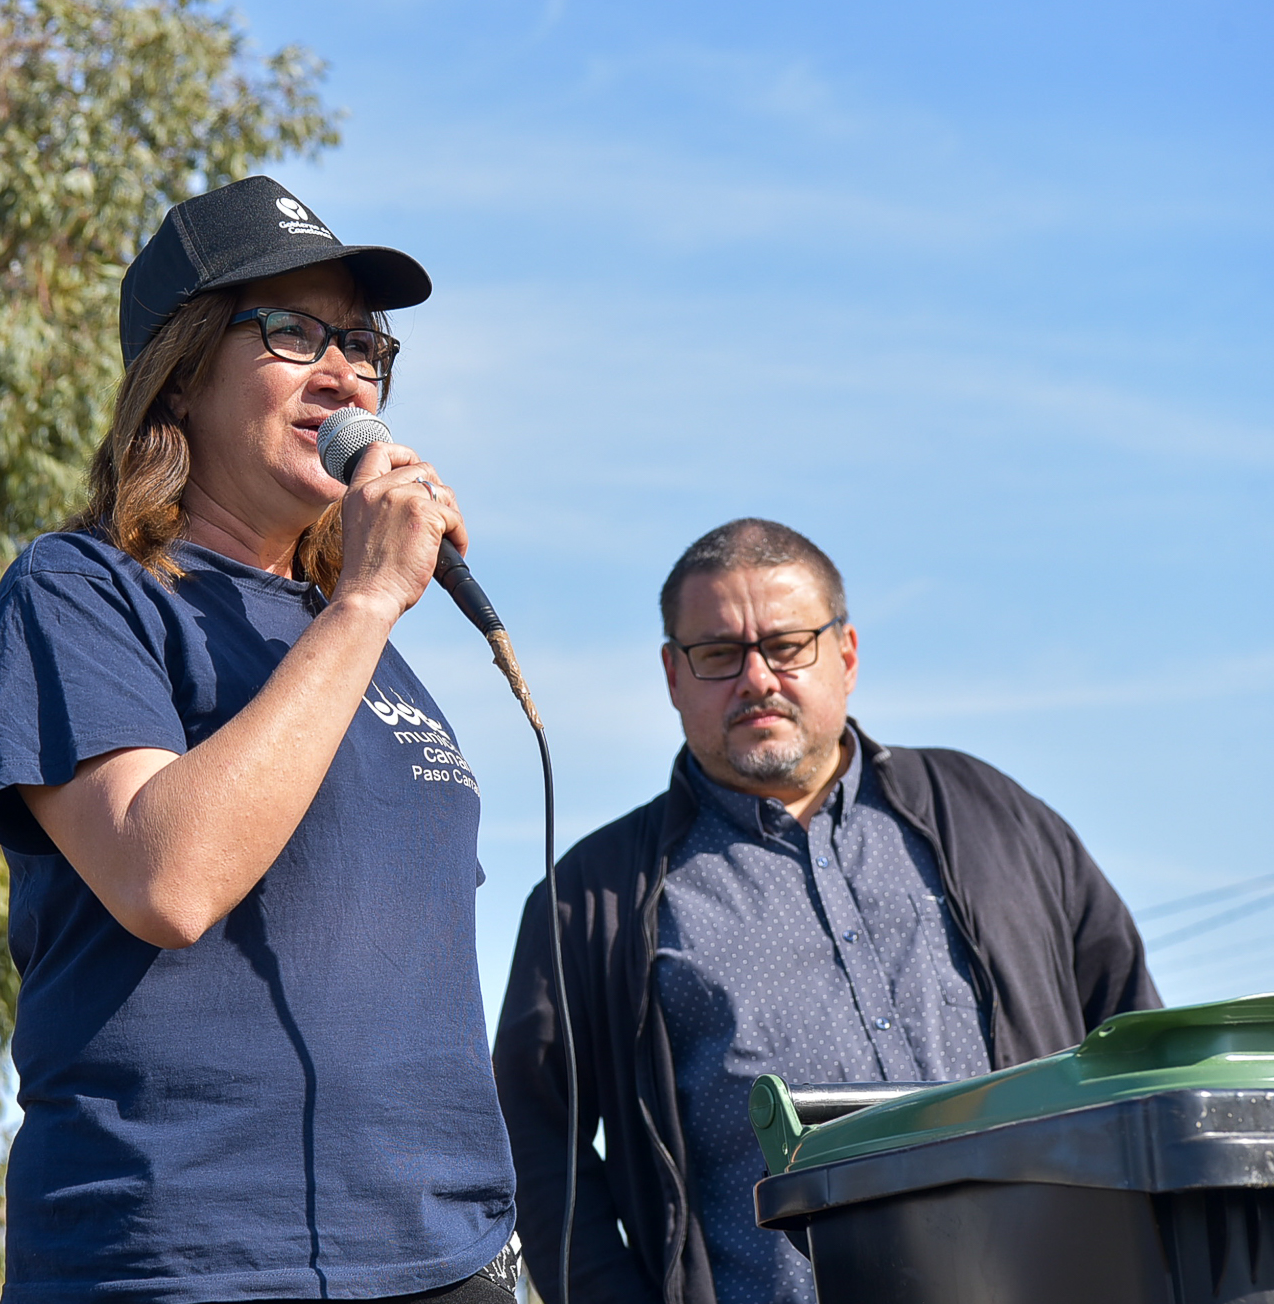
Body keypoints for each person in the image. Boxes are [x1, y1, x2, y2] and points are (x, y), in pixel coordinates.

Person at [0, 176, 520, 1304]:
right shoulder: (81, 592)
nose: (344, 374)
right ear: (182, 369)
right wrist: (367, 601)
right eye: (293, 332)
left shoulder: (350, 630)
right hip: (190, 1257)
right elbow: (168, 878)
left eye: (363, 344)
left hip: (442, 1255)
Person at [492, 518, 1160, 1304]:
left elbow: (1137, 1054)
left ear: (846, 653)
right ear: (672, 675)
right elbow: (534, 1145)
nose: (757, 678)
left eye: (787, 645)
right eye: (719, 654)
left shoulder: (999, 820)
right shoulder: (591, 899)